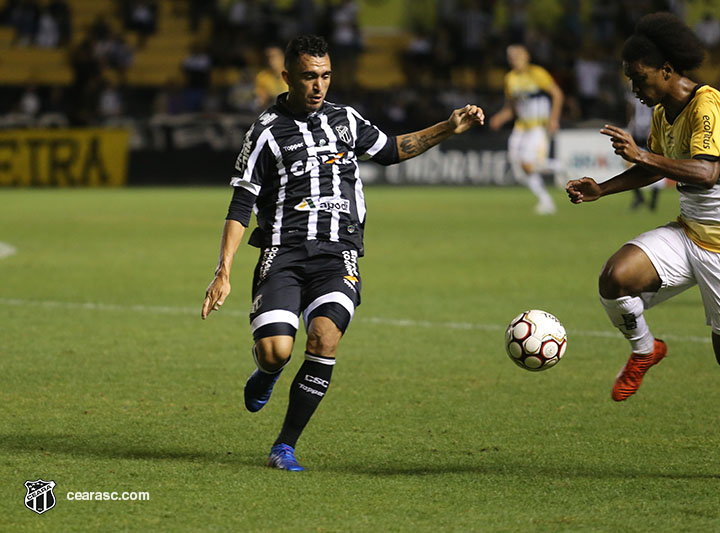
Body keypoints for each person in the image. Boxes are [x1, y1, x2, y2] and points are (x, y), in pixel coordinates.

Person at [201, 35, 484, 472]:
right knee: (276, 350)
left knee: (324, 337)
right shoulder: (264, 132)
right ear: (288, 77)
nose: (319, 86)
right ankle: (268, 371)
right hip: (283, 253)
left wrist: (447, 128)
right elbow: (241, 203)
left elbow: (390, 150)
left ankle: (285, 446)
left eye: (326, 76)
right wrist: (224, 271)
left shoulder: (346, 120)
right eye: (309, 77)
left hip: (337, 254)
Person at [566, 13, 720, 483]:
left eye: (638, 77)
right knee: (615, 277)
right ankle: (645, 349)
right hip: (689, 233)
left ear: (665, 69)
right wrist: (602, 189)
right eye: (629, 79)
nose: (633, 89)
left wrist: (642, 153)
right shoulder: (664, 113)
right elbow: (654, 168)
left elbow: (705, 171)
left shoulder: (709, 105)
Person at [490, 44, 563, 215]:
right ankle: (546, 200)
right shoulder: (510, 79)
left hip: (538, 125)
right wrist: (500, 117)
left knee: (528, 164)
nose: (514, 59)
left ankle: (558, 167)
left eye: (517, 55)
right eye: (511, 56)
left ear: (526, 56)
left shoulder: (537, 73)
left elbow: (557, 94)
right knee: (517, 161)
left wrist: (553, 119)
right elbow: (512, 108)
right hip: (521, 126)